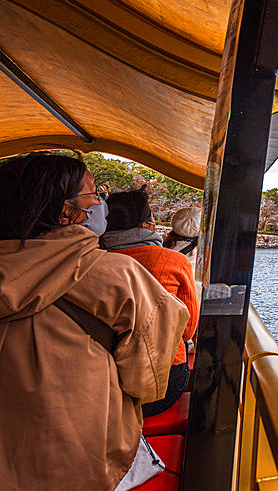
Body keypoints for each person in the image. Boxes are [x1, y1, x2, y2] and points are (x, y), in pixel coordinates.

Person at [0, 152, 188, 491]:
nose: (101, 200)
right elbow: (148, 382)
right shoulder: (118, 277)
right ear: (66, 211)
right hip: (80, 463)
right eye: (94, 192)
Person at [101, 187, 199, 417]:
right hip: (163, 382)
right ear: (146, 225)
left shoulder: (90, 258)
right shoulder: (174, 261)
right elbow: (186, 330)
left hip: (103, 382)